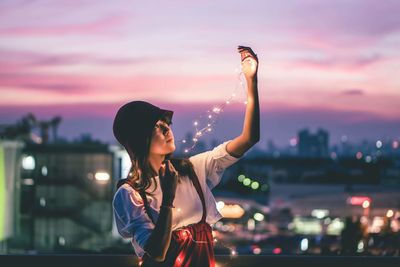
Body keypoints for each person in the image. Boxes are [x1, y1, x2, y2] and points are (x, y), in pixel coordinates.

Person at [112, 46, 260, 267]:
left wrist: (252, 81)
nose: (168, 129)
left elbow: (249, 138)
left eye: (168, 124)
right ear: (139, 138)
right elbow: (156, 252)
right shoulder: (130, 194)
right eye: (158, 126)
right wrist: (168, 198)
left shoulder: (192, 169)